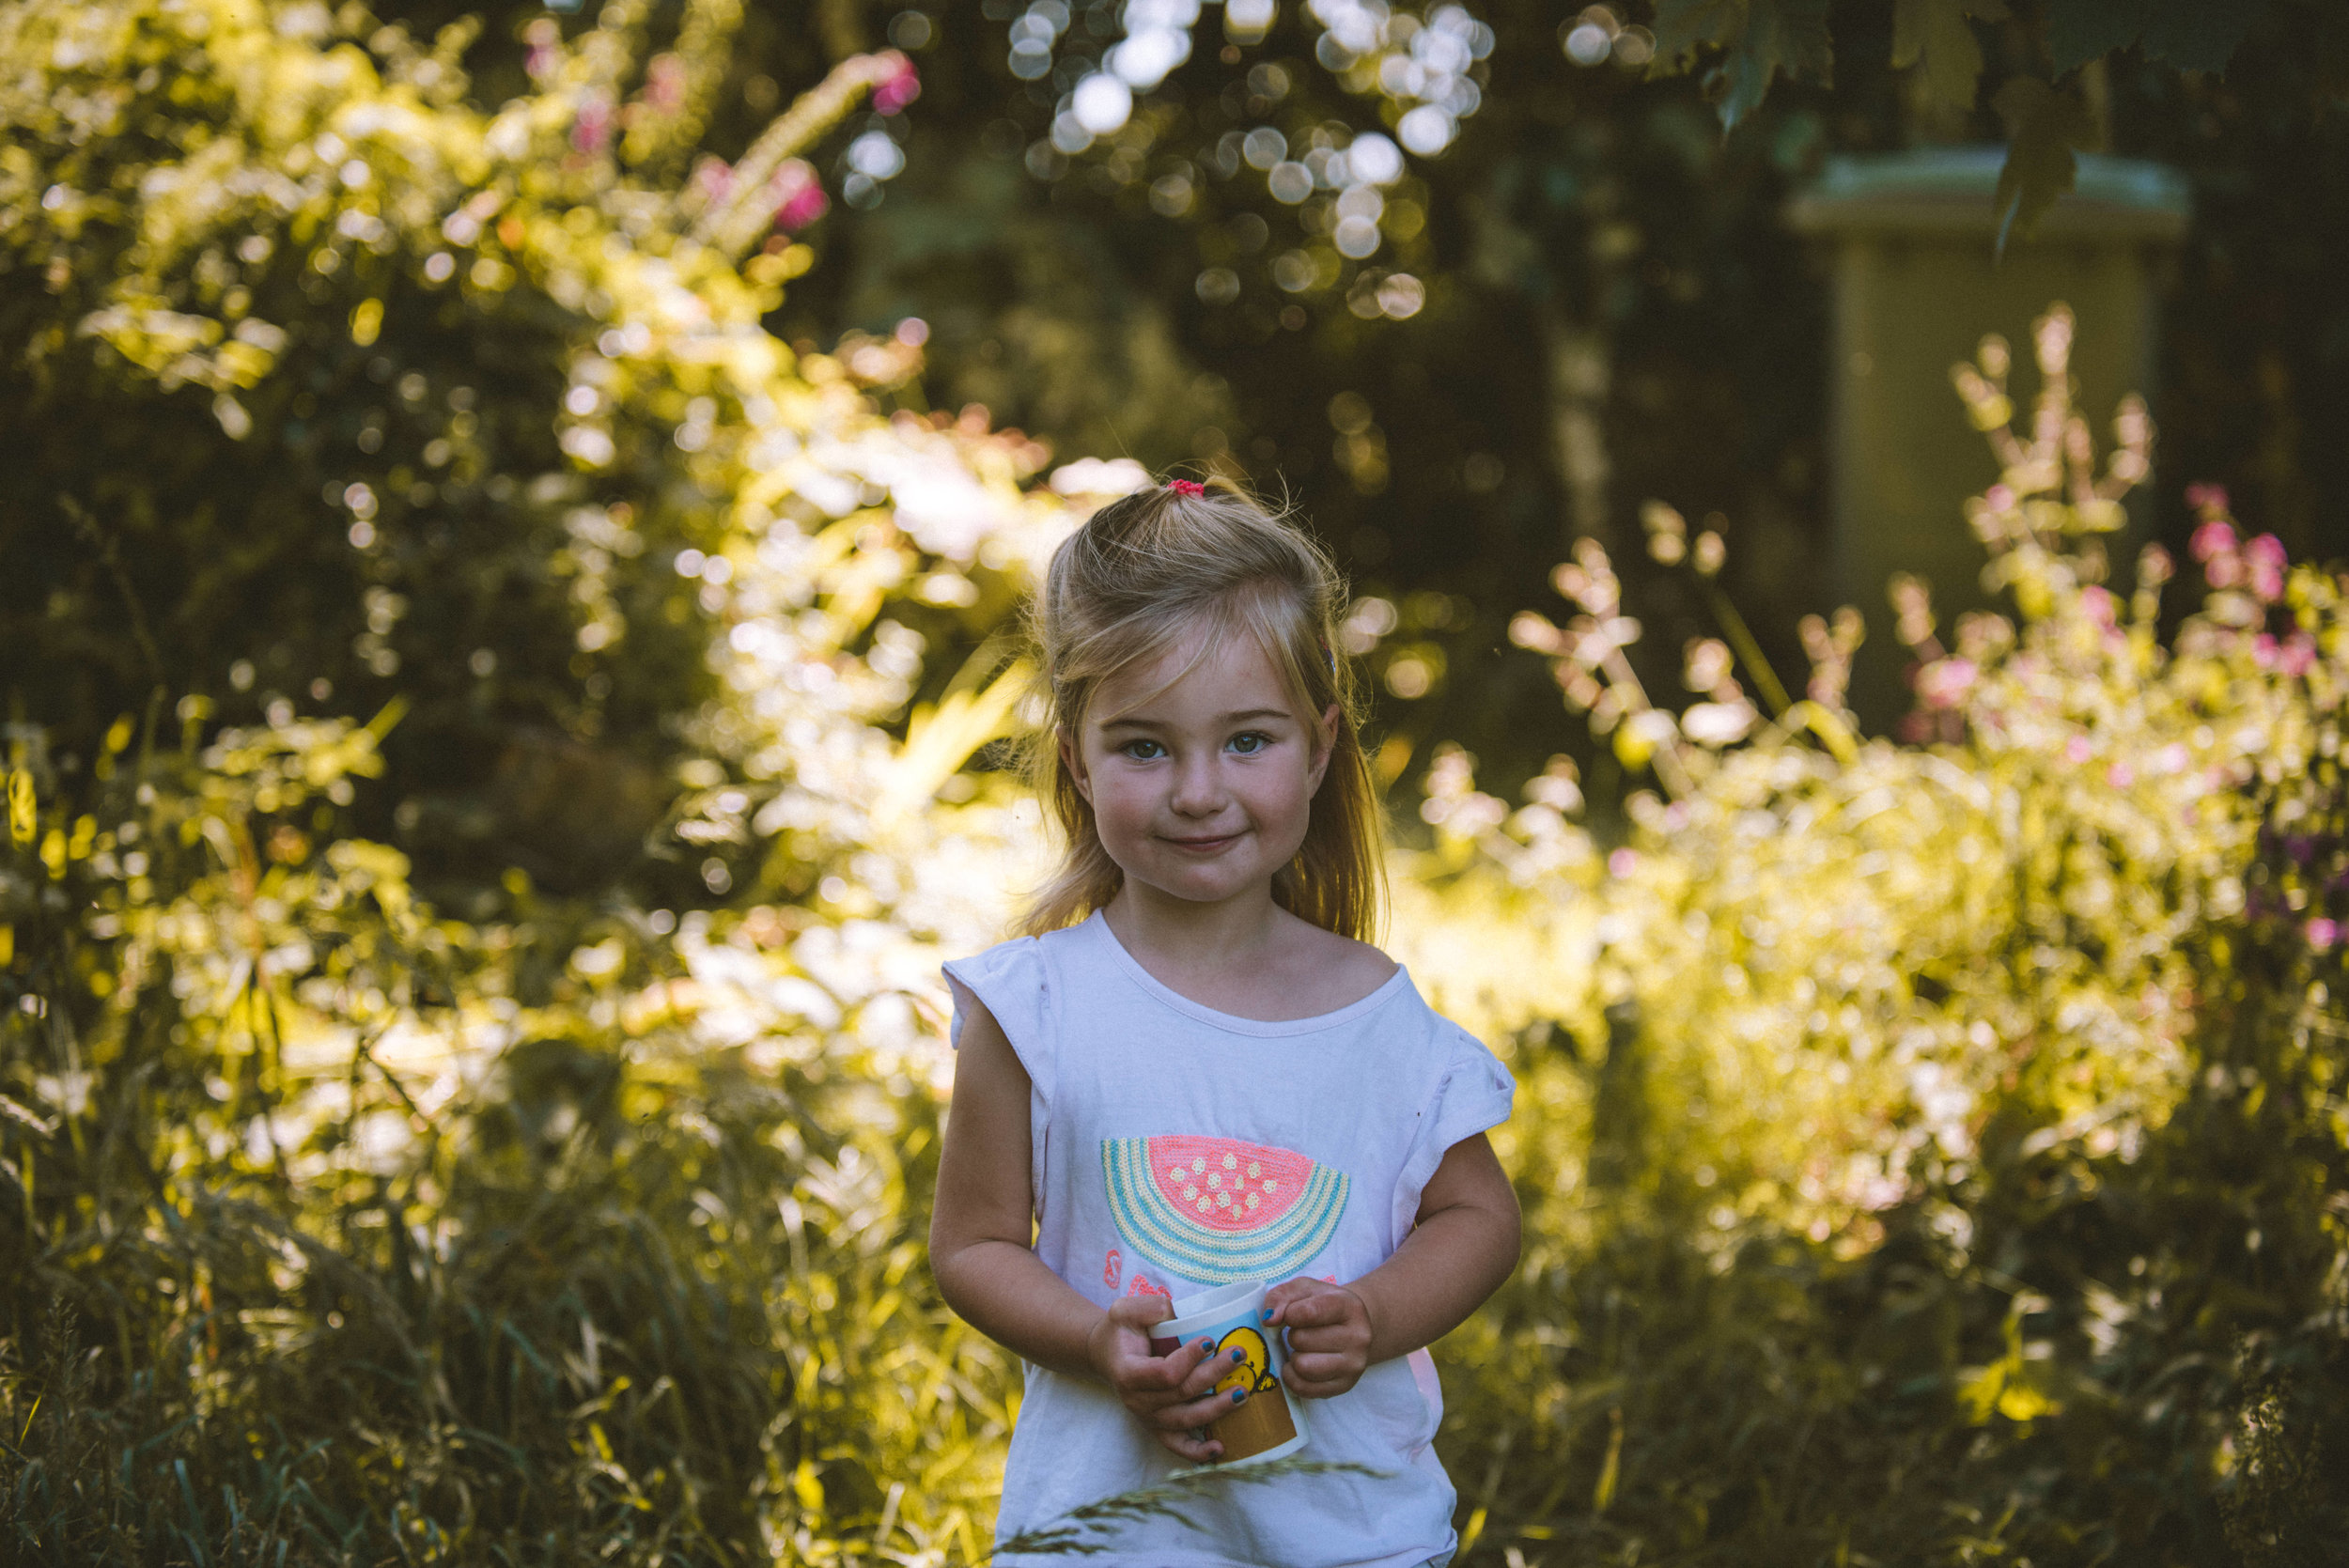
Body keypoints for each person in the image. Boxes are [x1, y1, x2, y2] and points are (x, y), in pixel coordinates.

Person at [928, 476, 1521, 1568]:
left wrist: (1375, 1314)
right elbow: (969, 1244)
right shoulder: (1035, 1009)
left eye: (1247, 741)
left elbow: (1479, 1219)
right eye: (1145, 748)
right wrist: (1091, 1337)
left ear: (1321, 744)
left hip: (1351, 1533)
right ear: (1076, 756)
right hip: (1107, 1536)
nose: (1199, 791)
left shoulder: (1379, 1013)